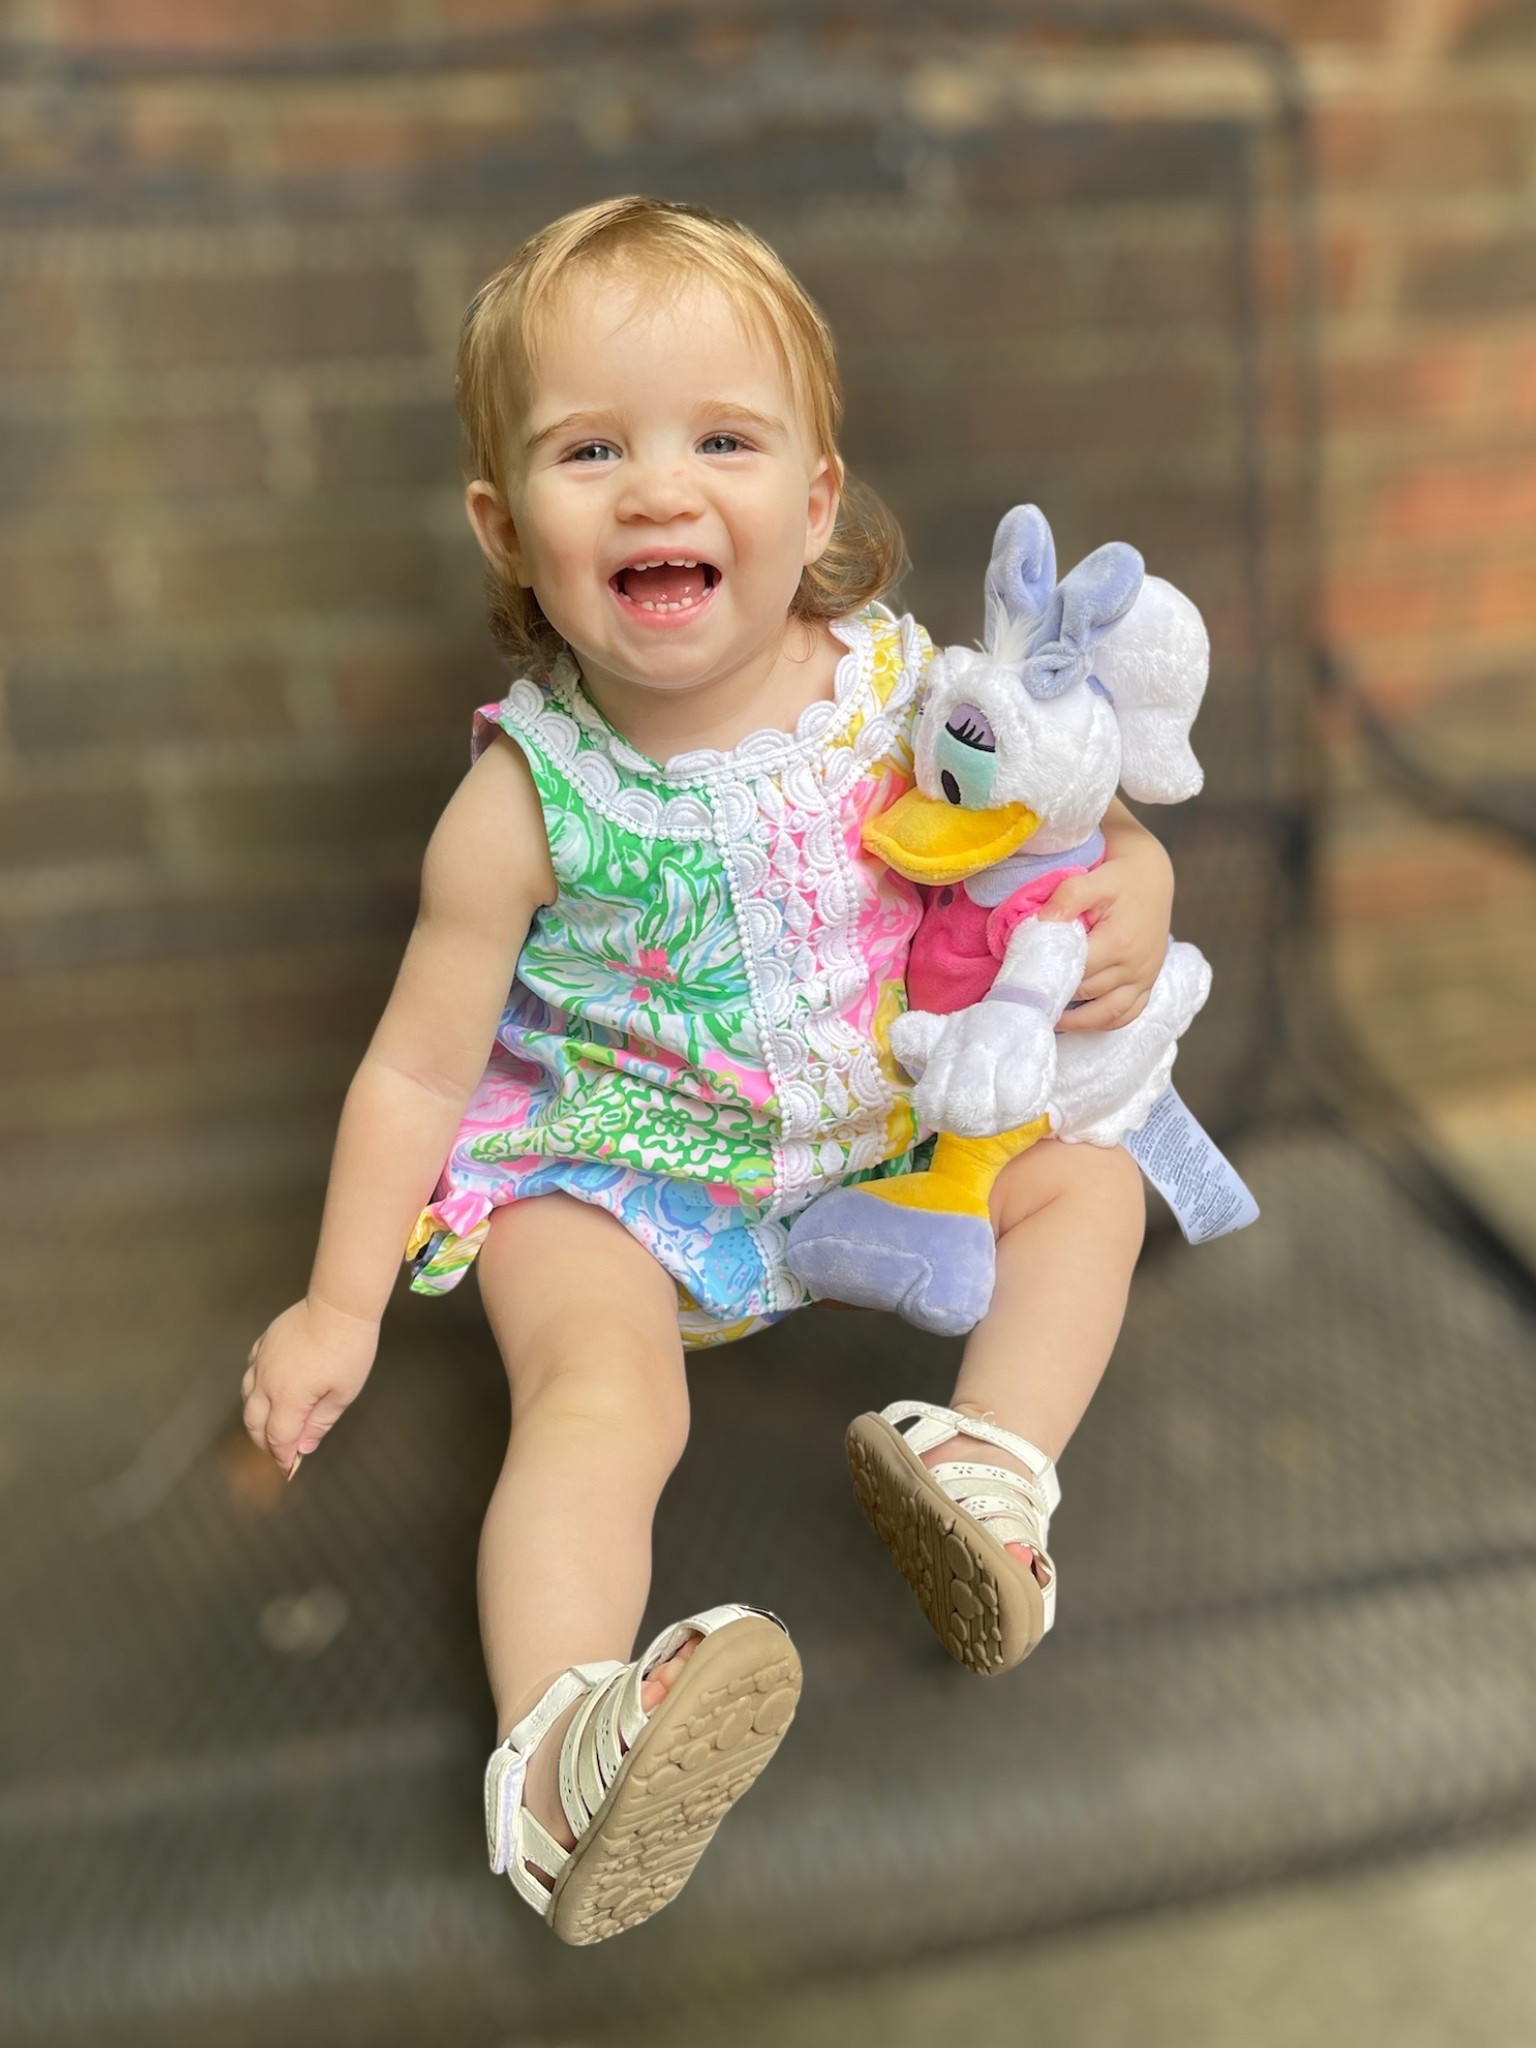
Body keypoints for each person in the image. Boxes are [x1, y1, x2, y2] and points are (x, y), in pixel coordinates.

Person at [241, 196, 1175, 1945]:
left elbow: (1085, 827)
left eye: (721, 443)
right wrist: (338, 1307)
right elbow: (410, 1074)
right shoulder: (524, 798)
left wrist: (1143, 891)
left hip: (885, 1148)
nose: (661, 492)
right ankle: (565, 1755)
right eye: (592, 450)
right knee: (602, 1403)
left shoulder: (906, 686)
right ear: (508, 529)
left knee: (1091, 1184)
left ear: (813, 501)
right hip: (618, 1177)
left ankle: (991, 1471)